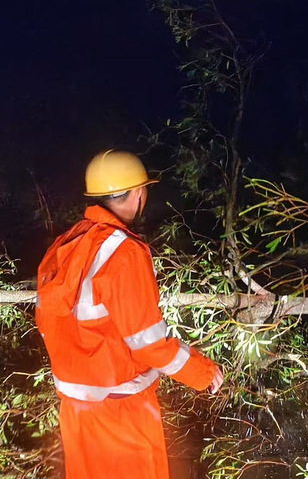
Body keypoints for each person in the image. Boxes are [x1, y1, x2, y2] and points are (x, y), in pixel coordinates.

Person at [35, 150, 223, 479]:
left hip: (76, 410)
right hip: (122, 410)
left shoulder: (64, 245)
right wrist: (203, 372)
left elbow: (50, 321)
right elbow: (148, 343)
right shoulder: (125, 252)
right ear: (138, 193)